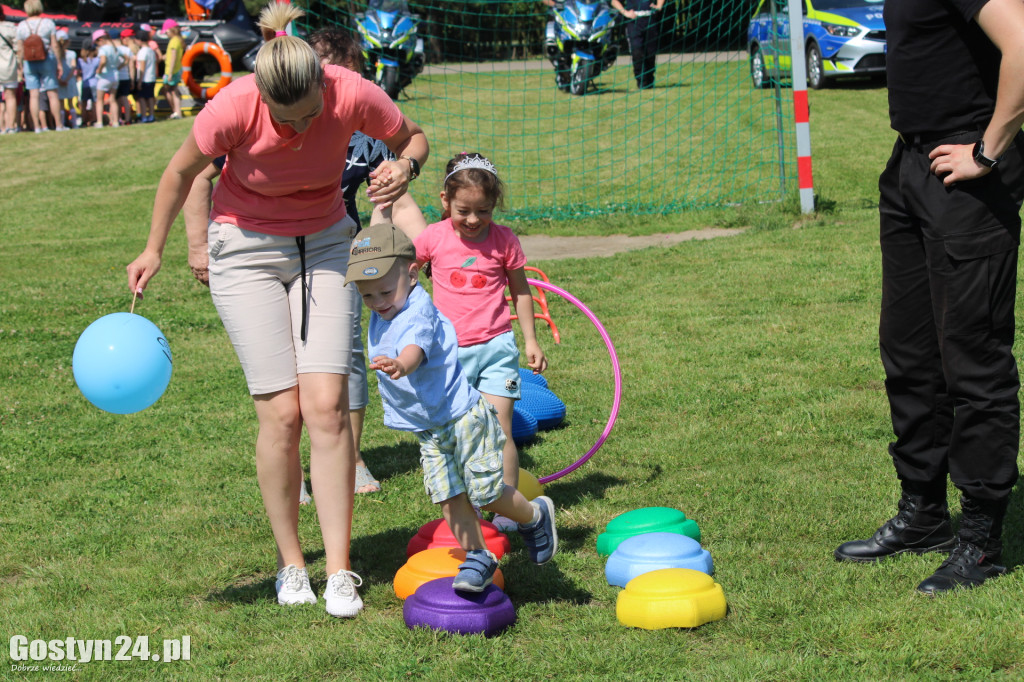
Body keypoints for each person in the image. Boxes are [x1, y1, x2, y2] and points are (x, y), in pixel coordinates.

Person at [125, 1, 428, 617]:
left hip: (323, 243)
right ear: (262, 96)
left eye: (312, 115)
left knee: (327, 407)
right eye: (288, 121)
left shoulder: (351, 91)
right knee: (282, 415)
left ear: (323, 85)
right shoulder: (232, 106)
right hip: (245, 250)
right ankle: (293, 567)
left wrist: (405, 166)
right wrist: (154, 248)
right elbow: (180, 174)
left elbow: (412, 138)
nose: (300, 129)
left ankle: (341, 571)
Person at [182, 26, 428, 495]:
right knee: (284, 384)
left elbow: (404, 196)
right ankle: (291, 468)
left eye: (349, 77)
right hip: (264, 244)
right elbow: (193, 177)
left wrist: (428, 245)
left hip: (336, 247)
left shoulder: (360, 118)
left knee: (343, 366)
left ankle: (349, 459)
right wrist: (198, 246)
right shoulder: (252, 117)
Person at [833, 0, 1024, 595]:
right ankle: (923, 516)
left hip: (968, 174)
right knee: (909, 353)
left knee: (972, 358)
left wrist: (987, 151)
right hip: (913, 166)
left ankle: (981, 540)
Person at [346, 223, 558, 591]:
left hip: (463, 418)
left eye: (383, 291)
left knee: (486, 493)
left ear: (412, 275)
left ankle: (534, 515)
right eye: (367, 296)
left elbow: (415, 346)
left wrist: (401, 365)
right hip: (430, 427)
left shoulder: (417, 311)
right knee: (448, 494)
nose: (377, 302)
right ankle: (477, 554)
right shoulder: (387, 308)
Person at [412, 153, 547, 530]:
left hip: (496, 349)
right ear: (444, 201)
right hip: (449, 356)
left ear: (494, 206)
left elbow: (521, 291)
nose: (473, 220)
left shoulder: (504, 240)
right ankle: (467, 507)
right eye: (463, 210)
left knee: (499, 429)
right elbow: (404, 274)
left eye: (483, 211)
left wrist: (531, 340)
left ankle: (506, 505)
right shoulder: (433, 238)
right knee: (455, 435)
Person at [14, 0, 66, 131]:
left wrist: (19, 65)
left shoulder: (21, 25)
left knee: (33, 94)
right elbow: (54, 44)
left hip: (29, 62)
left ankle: (37, 126)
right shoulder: (48, 23)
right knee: (52, 93)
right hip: (46, 59)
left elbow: (19, 48)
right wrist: (59, 63)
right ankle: (58, 125)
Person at [609, 0, 665, 90]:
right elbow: (613, 1)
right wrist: (625, 12)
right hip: (634, 21)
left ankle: (649, 81)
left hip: (650, 19)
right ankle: (641, 82)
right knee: (637, 51)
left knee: (650, 53)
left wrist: (659, 5)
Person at [92, 30, 119, 128]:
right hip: (115, 76)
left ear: (101, 40)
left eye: (96, 42)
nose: (96, 45)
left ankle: (99, 122)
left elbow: (103, 60)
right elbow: (122, 60)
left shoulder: (103, 49)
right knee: (113, 100)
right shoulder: (114, 48)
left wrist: (99, 69)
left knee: (99, 100)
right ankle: (116, 121)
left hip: (105, 76)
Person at [129, 29, 157, 123]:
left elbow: (142, 68)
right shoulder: (151, 51)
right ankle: (151, 115)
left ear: (139, 40)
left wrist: (139, 82)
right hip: (152, 77)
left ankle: (144, 116)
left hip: (144, 79)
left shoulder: (142, 52)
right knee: (150, 97)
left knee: (142, 98)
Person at [54, 29, 78, 128]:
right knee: (71, 104)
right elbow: (73, 68)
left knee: (60, 104)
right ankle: (74, 124)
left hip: (59, 80)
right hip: (70, 80)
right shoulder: (72, 53)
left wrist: (60, 80)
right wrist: (67, 79)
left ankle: (62, 123)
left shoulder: (55, 55)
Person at [161, 19, 183, 120]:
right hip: (176, 69)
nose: (165, 33)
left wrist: (169, 73)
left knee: (167, 90)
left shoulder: (174, 41)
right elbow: (170, 55)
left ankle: (176, 111)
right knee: (173, 90)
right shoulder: (177, 40)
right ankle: (177, 112)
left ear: (172, 30)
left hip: (172, 71)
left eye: (166, 31)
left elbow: (173, 57)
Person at [0, 8, 17, 134]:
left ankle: (1, 127)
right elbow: (18, 48)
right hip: (8, 66)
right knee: (10, 96)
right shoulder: (9, 28)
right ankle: (11, 126)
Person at [114, 29, 136, 124]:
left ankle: (118, 118)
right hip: (126, 77)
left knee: (116, 100)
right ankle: (127, 119)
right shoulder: (127, 50)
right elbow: (131, 66)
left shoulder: (113, 50)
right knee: (125, 99)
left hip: (115, 77)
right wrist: (132, 79)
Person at [77, 38, 98, 128]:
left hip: (85, 83)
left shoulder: (80, 60)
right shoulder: (96, 60)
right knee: (95, 103)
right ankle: (94, 120)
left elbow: (78, 72)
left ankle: (84, 120)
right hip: (94, 83)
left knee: (83, 103)